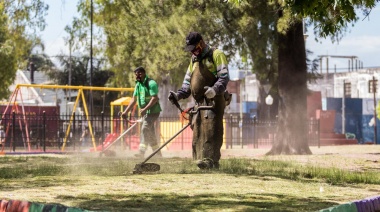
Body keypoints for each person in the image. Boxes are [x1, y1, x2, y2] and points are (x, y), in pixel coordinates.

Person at [168, 31, 230, 169]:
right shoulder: (194, 60)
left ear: (201, 43)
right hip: (200, 103)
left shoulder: (216, 54)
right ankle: (198, 160)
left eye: (194, 49)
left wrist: (214, 90)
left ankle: (211, 161)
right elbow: (187, 83)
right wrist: (178, 95)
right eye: (190, 50)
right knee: (197, 131)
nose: (193, 52)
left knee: (211, 130)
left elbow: (224, 77)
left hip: (214, 100)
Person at [122, 66, 162, 158]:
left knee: (145, 128)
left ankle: (141, 152)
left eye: (139, 74)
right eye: (136, 75)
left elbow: (154, 98)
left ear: (144, 73)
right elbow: (134, 99)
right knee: (150, 132)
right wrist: (125, 112)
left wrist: (144, 109)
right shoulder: (138, 85)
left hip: (153, 112)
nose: (138, 76)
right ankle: (158, 154)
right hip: (145, 113)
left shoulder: (151, 83)